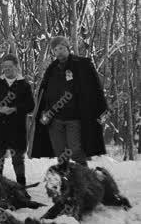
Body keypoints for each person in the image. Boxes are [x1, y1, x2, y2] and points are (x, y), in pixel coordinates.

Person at [29, 36, 107, 165]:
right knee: (60, 153)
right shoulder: (51, 69)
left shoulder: (82, 64)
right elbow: (44, 93)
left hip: (75, 117)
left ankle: (84, 179)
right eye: (55, 49)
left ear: (67, 48)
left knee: (75, 150)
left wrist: (102, 108)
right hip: (54, 118)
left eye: (61, 48)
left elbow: (95, 89)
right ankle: (66, 180)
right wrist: (44, 111)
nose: (59, 51)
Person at [0, 54, 35, 185]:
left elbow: (31, 105)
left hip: (16, 127)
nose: (7, 69)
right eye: (4, 67)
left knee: (18, 159)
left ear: (16, 67)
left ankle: (21, 187)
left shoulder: (24, 85)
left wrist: (15, 108)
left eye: (10, 66)